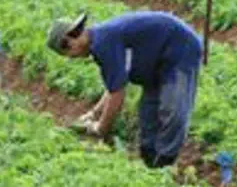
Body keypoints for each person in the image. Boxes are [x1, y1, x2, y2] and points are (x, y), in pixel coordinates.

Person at [46, 11, 202, 168]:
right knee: (148, 114)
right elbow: (114, 85)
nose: (72, 58)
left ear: (68, 42)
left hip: (180, 49)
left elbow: (117, 95)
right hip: (154, 61)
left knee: (172, 108)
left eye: (67, 54)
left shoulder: (103, 43)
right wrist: (94, 113)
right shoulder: (99, 42)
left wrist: (101, 129)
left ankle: (165, 162)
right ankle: (149, 161)